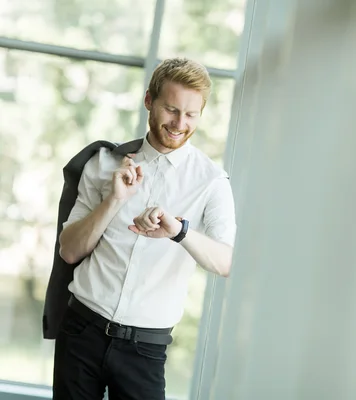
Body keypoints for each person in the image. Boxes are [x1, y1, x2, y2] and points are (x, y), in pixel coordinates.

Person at [52, 58, 236, 399]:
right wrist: (114, 200)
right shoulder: (104, 164)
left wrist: (179, 232)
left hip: (146, 347)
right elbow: (69, 249)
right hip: (81, 330)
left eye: (191, 114)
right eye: (171, 109)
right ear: (149, 100)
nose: (180, 123)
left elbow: (225, 262)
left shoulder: (212, 182)